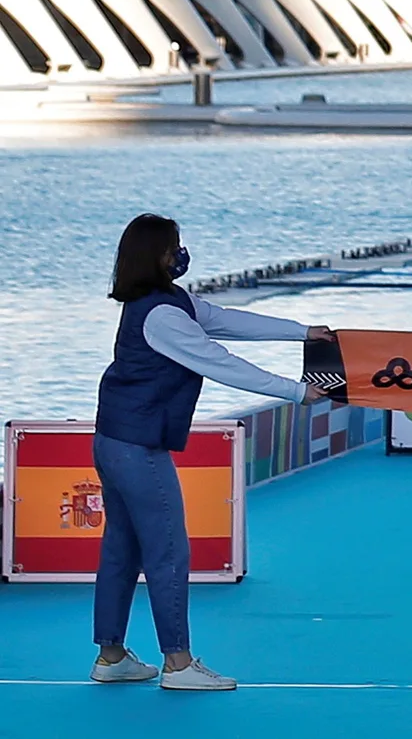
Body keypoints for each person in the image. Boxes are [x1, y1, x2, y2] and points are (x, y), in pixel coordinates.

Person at [88, 214, 339, 692]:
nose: (180, 254)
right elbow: (220, 362)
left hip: (114, 439)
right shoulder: (162, 316)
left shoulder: (168, 301)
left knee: (122, 549)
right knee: (167, 552)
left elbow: (229, 322)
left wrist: (302, 331)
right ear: (157, 255)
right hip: (137, 447)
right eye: (173, 247)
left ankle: (111, 655)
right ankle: (179, 665)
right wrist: (296, 392)